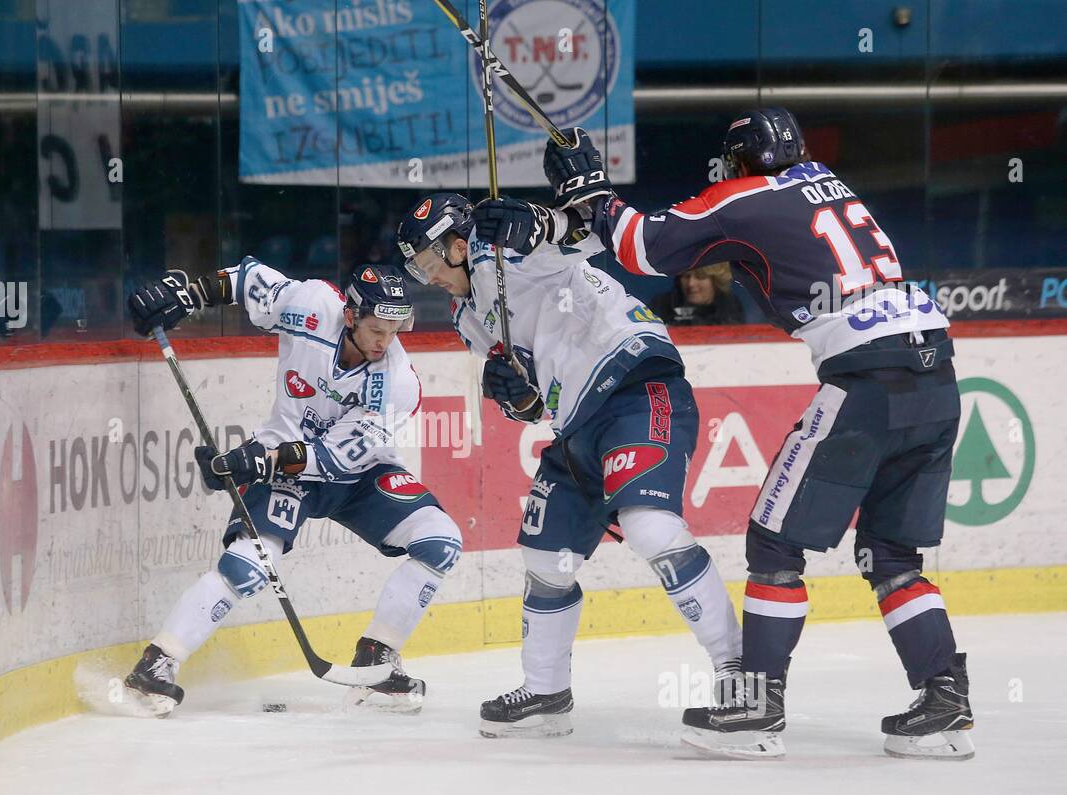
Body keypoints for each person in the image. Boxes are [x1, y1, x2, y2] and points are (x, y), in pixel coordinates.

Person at [480, 111, 969, 759]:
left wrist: (591, 189)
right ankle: (945, 700)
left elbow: (641, 247)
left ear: (739, 162)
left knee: (774, 544)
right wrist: (563, 216)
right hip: (936, 376)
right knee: (892, 555)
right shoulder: (828, 182)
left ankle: (756, 708)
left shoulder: (746, 197)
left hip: (868, 380)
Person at [397, 192, 742, 738]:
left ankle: (740, 674)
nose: (426, 276)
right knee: (545, 560)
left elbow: (592, 233)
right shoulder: (466, 316)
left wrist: (537, 222)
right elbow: (531, 401)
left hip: (636, 390)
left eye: (427, 261)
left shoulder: (510, 255)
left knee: (650, 528)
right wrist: (515, 395)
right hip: (574, 427)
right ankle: (546, 690)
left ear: (459, 246)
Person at [122, 261, 462, 716]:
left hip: (357, 475)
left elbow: (334, 458)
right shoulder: (312, 306)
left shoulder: (398, 383)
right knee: (248, 568)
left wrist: (252, 462)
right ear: (350, 315)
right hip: (283, 470)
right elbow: (245, 280)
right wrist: (188, 297)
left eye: (395, 330)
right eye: (377, 329)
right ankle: (156, 665)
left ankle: (377, 663)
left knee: (440, 542)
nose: (385, 342)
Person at [649, 262, 746, 325]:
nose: (691, 284)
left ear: (716, 281)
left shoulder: (730, 305)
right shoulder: (662, 304)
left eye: (700, 277)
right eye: (686, 276)